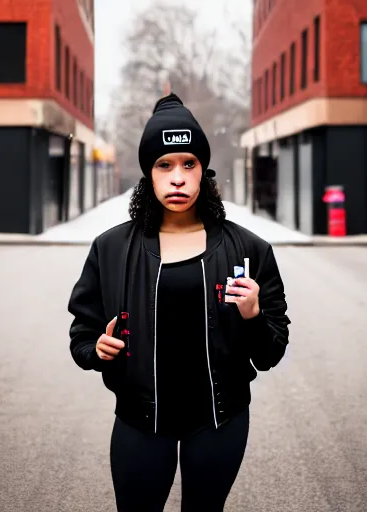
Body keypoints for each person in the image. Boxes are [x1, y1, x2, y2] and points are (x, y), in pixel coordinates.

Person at [68, 93, 290, 512]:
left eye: (188, 164)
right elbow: (82, 333)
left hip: (218, 420)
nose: (177, 178)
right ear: (148, 175)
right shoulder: (112, 248)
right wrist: (95, 348)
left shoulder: (249, 249)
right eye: (164, 165)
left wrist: (254, 315)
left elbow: (270, 352)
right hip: (139, 420)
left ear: (203, 172)